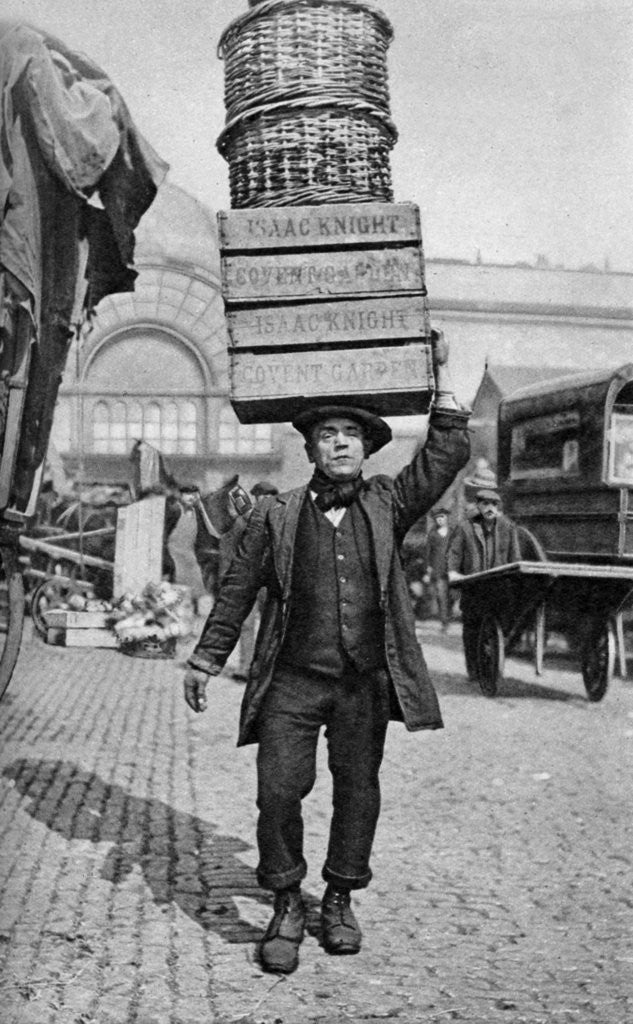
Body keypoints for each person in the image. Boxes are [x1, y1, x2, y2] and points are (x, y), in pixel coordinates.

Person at [182, 333, 470, 975]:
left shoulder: (387, 503)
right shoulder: (275, 516)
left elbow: (446, 454)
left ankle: (338, 898)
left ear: (367, 448)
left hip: (363, 684)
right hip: (291, 681)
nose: (339, 442)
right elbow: (236, 592)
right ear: (309, 448)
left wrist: (443, 377)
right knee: (279, 791)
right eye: (327, 434)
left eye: (351, 434)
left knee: (358, 791)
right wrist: (205, 658)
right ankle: (286, 900)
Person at [446, 487, 521, 681]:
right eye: (485, 504)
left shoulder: (508, 527)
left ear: (498, 507)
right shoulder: (466, 528)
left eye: (494, 504)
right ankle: (473, 670)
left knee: (497, 628)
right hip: (474, 587)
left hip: (499, 587)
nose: (490, 508)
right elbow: (454, 554)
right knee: (471, 629)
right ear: (478, 506)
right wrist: (453, 573)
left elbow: (515, 558)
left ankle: (492, 666)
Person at [164, 484, 219, 613]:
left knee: (198, 594)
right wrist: (167, 560)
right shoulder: (174, 510)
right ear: (180, 495)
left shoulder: (196, 512)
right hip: (174, 557)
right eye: (188, 494)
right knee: (176, 595)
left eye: (194, 495)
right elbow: (163, 534)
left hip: (189, 558)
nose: (191, 498)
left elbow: (207, 533)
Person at [422, 506, 452, 631]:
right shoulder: (433, 534)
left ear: (447, 518)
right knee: (441, 595)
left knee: (452, 596)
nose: (440, 520)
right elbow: (427, 553)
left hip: (452, 569)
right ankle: (444, 622)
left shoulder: (453, 533)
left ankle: (450, 617)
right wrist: (428, 570)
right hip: (438, 569)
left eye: (442, 517)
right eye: (437, 518)